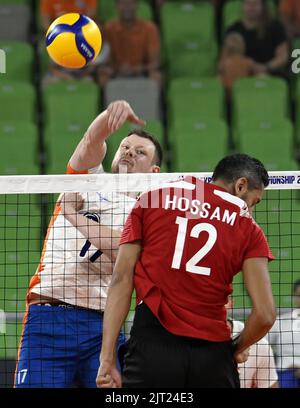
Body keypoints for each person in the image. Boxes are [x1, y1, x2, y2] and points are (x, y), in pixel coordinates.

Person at [14, 100, 163, 388]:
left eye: (140, 152)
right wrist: (109, 116)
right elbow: (91, 140)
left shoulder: (153, 213)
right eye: (125, 147)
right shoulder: (88, 180)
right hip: (49, 317)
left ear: (154, 172)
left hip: (103, 328)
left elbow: (122, 249)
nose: (129, 153)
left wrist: (72, 215)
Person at [97, 153, 276, 388]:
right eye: (252, 203)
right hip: (212, 354)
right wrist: (234, 348)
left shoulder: (152, 198)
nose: (249, 211)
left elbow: (121, 278)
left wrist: (107, 357)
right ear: (240, 185)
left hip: (153, 344)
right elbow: (265, 314)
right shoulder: (249, 228)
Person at [98, 0, 161, 87]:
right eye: (123, 3)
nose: (127, 7)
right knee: (103, 76)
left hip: (141, 72)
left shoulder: (149, 29)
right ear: (116, 6)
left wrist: (136, 69)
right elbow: (105, 60)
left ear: (137, 5)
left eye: (131, 3)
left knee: (156, 76)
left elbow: (154, 63)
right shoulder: (109, 28)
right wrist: (116, 69)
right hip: (117, 72)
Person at [224, 0, 289, 77]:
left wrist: (265, 67)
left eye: (255, 4)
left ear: (263, 6)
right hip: (242, 76)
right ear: (242, 6)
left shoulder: (275, 27)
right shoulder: (233, 30)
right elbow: (225, 59)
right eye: (248, 3)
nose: (251, 7)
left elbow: (283, 56)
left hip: (271, 74)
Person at [226, 297, 278, 388]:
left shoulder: (259, 345)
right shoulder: (192, 343)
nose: (214, 306)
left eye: (221, 299)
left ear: (231, 303)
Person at [268, 279, 300, 388]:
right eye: (299, 295)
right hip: (284, 373)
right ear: (295, 296)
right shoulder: (280, 321)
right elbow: (262, 344)